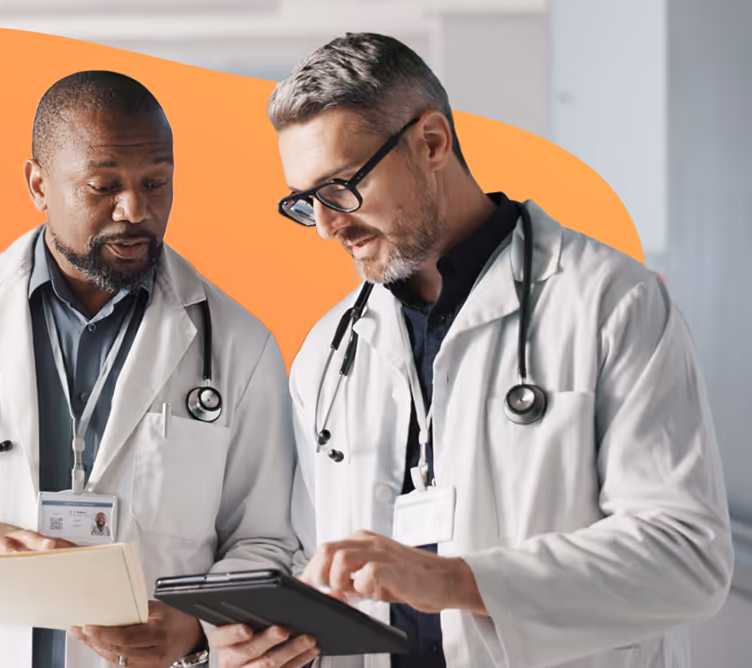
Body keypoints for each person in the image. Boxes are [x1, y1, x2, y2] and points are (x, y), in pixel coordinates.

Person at [209, 33, 734, 668]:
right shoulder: (329, 353)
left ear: (431, 142)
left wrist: (460, 581)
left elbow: (687, 559)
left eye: (342, 187)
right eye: (304, 201)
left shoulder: (609, 303)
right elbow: (316, 559)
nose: (325, 225)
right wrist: (274, 639)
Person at [0, 70, 300, 668]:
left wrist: (196, 627)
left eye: (156, 183)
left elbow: (268, 538)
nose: (135, 211)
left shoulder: (237, 343)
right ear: (39, 184)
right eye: (103, 186)